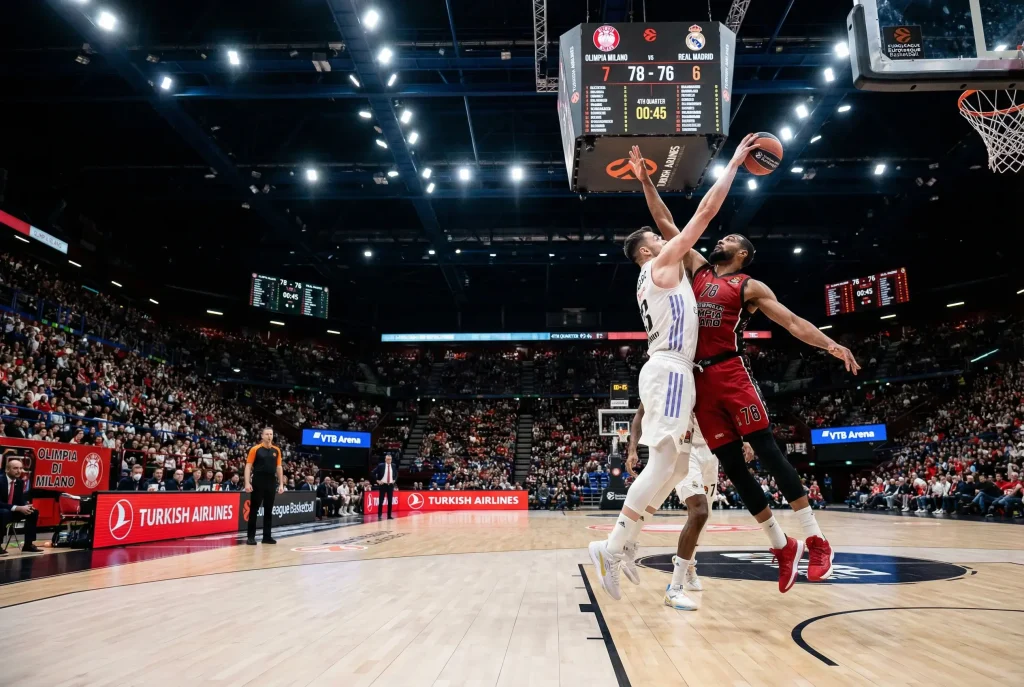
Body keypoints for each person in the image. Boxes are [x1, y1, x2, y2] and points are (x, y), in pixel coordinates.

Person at [638, 153, 860, 592]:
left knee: (769, 452)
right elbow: (666, 222)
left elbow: (793, 322)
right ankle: (781, 546)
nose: (722, 240)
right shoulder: (697, 270)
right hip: (697, 381)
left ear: (741, 254)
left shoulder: (748, 285)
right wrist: (647, 182)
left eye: (732, 240)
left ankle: (816, 539)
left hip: (730, 372)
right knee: (734, 470)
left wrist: (832, 344)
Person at [589, 136, 759, 602]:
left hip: (677, 372)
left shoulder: (664, 268)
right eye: (658, 241)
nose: (668, 241)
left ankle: (623, 544)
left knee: (677, 464)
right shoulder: (661, 267)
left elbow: (665, 217)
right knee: (666, 461)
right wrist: (734, 166)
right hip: (667, 369)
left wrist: (646, 180)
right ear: (648, 253)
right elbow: (701, 214)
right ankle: (612, 545)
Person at [625, 405, 731, 610]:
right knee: (698, 511)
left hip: (711, 452)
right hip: (684, 449)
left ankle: (689, 564)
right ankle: (674, 586)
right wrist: (632, 449)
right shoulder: (673, 375)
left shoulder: (710, 375)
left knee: (704, 517)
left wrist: (744, 441)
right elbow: (641, 412)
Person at [244, 427, 285, 545]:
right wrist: (247, 483)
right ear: (262, 436)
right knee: (254, 510)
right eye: (267, 434)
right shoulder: (255, 449)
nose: (269, 436)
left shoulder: (276, 450)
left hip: (271, 481)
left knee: (268, 510)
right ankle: (250, 537)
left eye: (271, 434)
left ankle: (267, 537)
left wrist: (281, 484)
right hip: (258, 480)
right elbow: (248, 466)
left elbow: (279, 467)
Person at [0, 459, 42, 554]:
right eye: (15, 468)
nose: (19, 471)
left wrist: (25, 506)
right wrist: (18, 508)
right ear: (7, 470)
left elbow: (19, 500)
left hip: (12, 511)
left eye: (20, 468)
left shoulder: (19, 482)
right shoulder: (0, 480)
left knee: (33, 512)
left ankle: (28, 544)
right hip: (2, 511)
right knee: (4, 513)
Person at [373, 454, 397, 519]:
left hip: (390, 485)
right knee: (381, 501)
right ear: (385, 459)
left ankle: (389, 516)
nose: (389, 460)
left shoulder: (394, 466)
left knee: (390, 501)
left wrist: (394, 480)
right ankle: (379, 515)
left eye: (390, 459)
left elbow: (396, 474)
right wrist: (377, 480)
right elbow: (373, 473)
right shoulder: (381, 466)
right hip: (383, 485)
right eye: (388, 459)